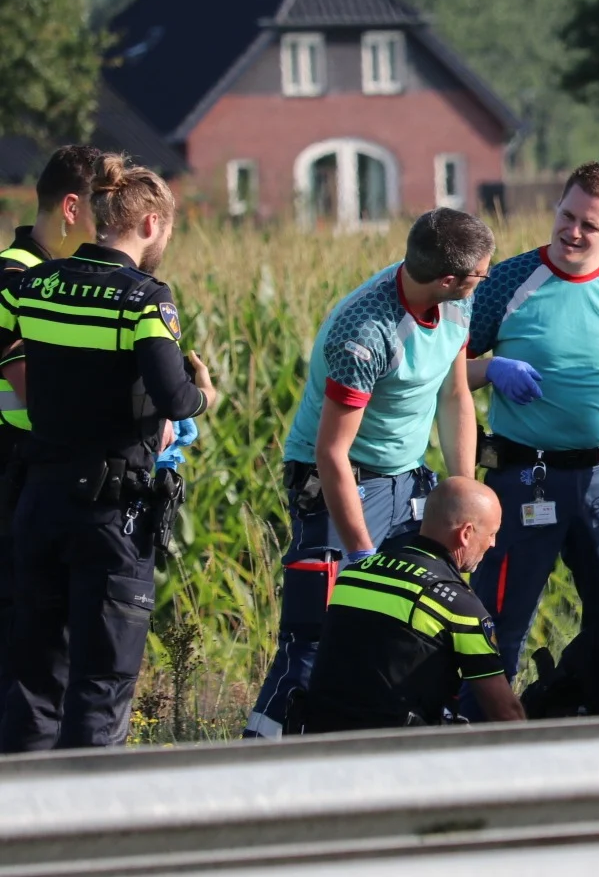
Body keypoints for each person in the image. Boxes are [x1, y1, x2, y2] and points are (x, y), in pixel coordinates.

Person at [246, 208, 493, 738]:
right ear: (447, 278)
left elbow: (454, 394)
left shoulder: (458, 301)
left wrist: (462, 486)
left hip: (408, 478)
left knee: (410, 619)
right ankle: (262, 750)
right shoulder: (365, 332)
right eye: (480, 274)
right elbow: (330, 453)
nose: (484, 280)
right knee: (319, 631)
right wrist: (360, 558)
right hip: (343, 481)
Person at [0, 157, 218, 751]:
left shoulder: (36, 284)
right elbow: (173, 397)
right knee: (100, 685)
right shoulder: (145, 299)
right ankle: (90, 806)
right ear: (150, 224)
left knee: (33, 680)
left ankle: (23, 803)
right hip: (110, 515)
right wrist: (204, 395)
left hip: (38, 501)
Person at [463, 164, 599, 702]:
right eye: (567, 215)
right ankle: (480, 730)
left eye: (589, 224)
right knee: (498, 624)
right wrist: (491, 369)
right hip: (521, 479)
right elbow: (445, 375)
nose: (573, 231)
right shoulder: (507, 282)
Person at [0, 145, 111, 715]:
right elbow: (36, 394)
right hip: (15, 474)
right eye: (103, 209)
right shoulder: (17, 279)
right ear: (72, 208)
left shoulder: (44, 276)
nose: (110, 227)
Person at [297, 478, 524, 732]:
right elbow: (504, 712)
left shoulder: (354, 573)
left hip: (320, 739)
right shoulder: (459, 606)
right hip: (394, 747)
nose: (493, 543)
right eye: (491, 534)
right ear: (466, 533)